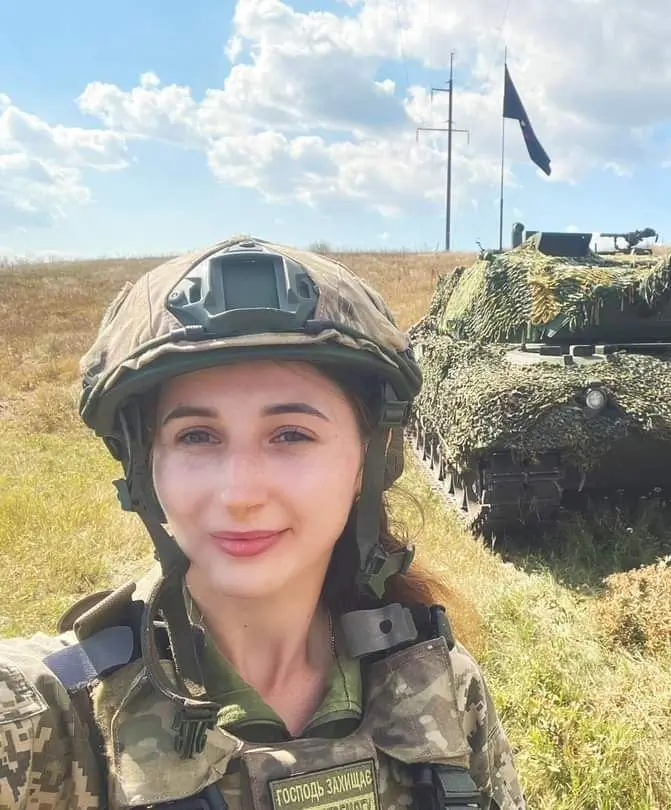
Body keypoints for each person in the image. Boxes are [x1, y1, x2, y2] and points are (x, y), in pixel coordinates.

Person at [0, 236, 527, 809]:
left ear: (366, 462)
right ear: (145, 469)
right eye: (196, 436)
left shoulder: (440, 686)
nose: (241, 492)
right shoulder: (48, 720)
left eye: (291, 435)